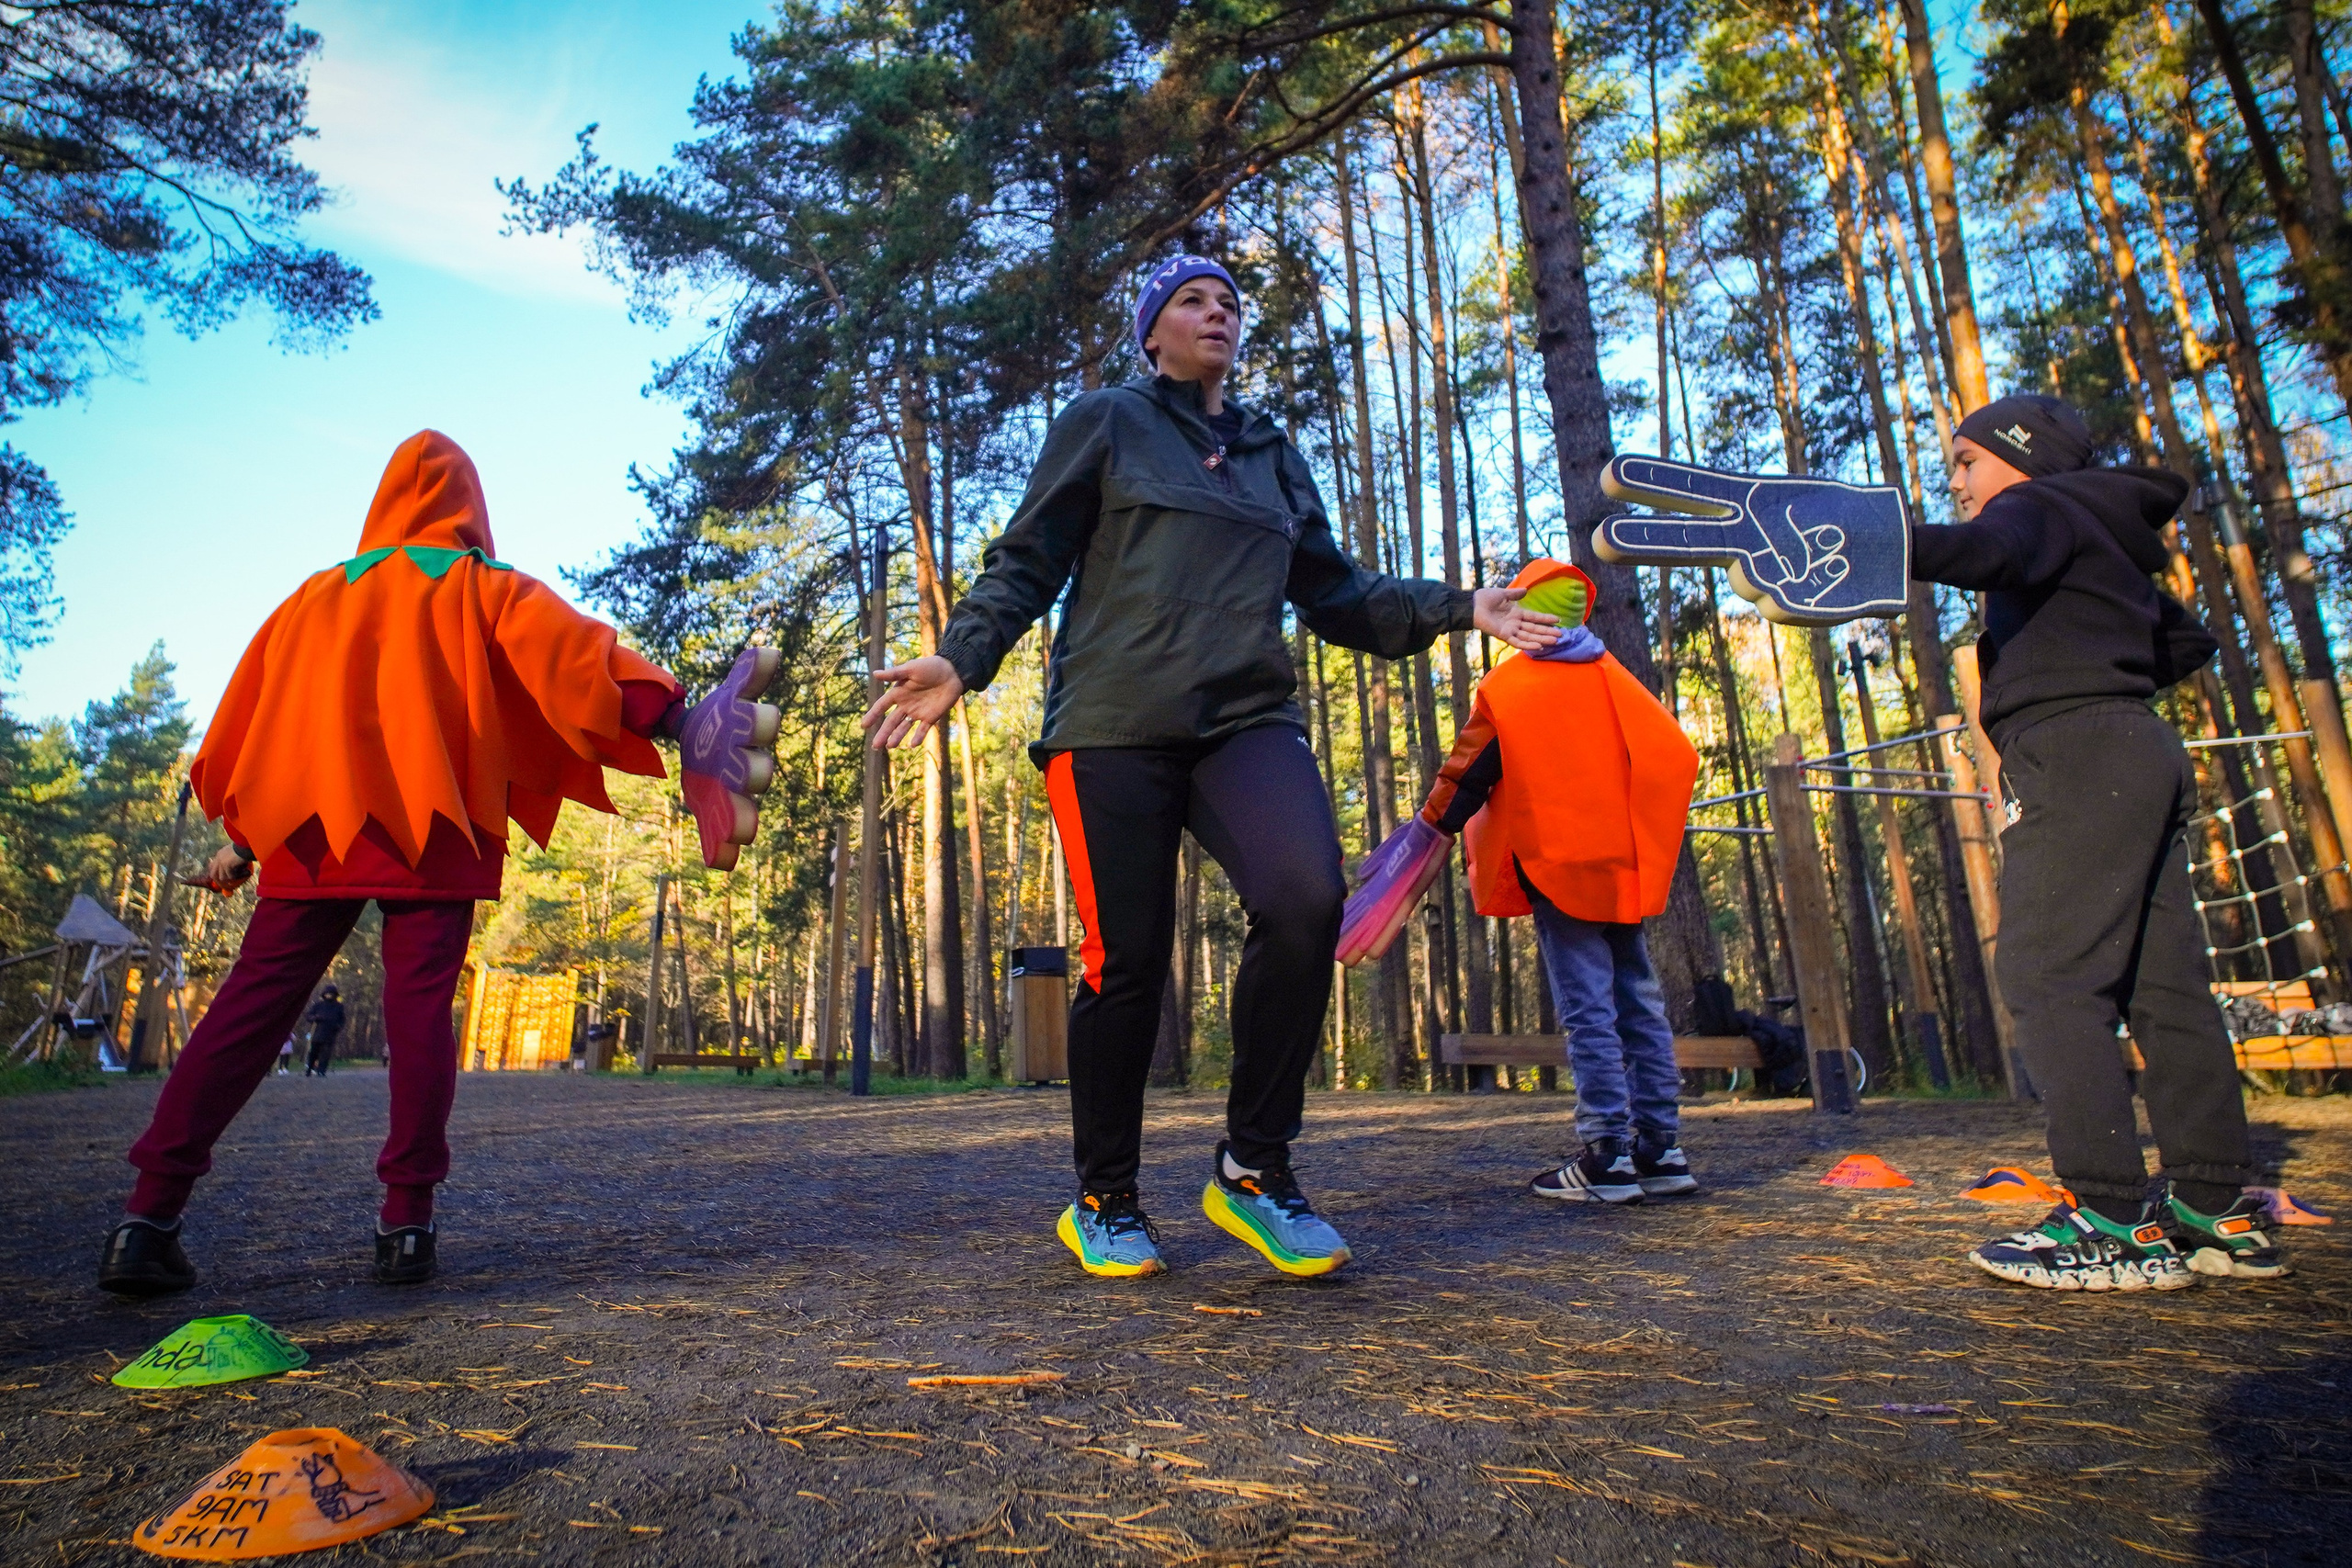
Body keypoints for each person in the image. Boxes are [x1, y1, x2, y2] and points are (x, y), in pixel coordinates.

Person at [861, 254, 1557, 1278]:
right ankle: (1105, 1197)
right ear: (1152, 331)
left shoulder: (1271, 454)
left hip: (1245, 720)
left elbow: (1337, 594)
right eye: (1191, 300)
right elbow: (1028, 558)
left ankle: (1254, 1169)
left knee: (1306, 897)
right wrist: (963, 659)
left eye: (1229, 302)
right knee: (1126, 961)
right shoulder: (1106, 420)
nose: (1216, 313)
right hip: (1112, 723)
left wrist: (1464, 606)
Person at [99, 431, 775, 1297]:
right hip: (437, 822)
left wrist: (245, 839)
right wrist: (680, 719)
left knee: (248, 1007)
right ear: (469, 506)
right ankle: (406, 1224)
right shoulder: (478, 585)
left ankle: (146, 1219)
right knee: (419, 1010)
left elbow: (261, 723)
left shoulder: (311, 599)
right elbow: (576, 657)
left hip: (315, 827)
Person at [1913, 393, 2284, 1290]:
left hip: (2077, 753)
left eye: (1967, 460)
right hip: (2136, 744)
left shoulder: (2035, 506)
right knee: (2164, 985)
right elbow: (2183, 639)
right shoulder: (2102, 530)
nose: (1956, 480)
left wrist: (1878, 540)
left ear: (2022, 456)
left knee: (2047, 973)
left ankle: (2111, 1217)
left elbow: (1983, 552)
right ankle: (2214, 1209)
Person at [1341, 559, 1702, 1202]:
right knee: (1638, 999)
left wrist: (1428, 833)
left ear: (1524, 612)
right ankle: (1661, 1149)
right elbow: (1676, 753)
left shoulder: (1512, 688)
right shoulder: (1612, 676)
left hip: (1557, 863)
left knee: (1589, 1007)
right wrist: (1646, 832)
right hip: (1622, 866)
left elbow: (1469, 770)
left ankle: (1608, 1155)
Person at [303, 985, 345, 1077]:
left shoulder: (338, 1006)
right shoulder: (319, 1005)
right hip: (318, 1032)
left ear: (335, 995)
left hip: (331, 1033)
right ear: (324, 994)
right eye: (327, 994)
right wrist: (315, 1017)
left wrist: (339, 1026)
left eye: (331, 994)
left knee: (326, 1053)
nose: (329, 995)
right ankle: (309, 1069)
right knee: (314, 1052)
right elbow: (308, 1015)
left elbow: (342, 1019)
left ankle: (321, 1070)